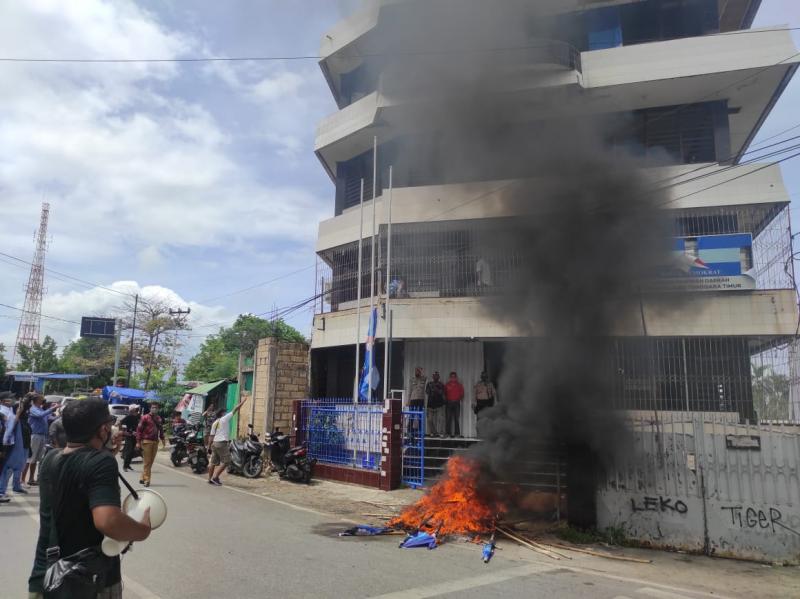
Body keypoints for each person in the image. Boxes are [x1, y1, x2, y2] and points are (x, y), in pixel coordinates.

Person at [27, 397, 152, 599]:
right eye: (110, 426)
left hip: (46, 575)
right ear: (103, 430)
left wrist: (108, 452)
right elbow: (108, 521)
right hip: (87, 580)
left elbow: (81, 476)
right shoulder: (100, 463)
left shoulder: (51, 459)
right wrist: (142, 530)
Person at [207, 397, 248, 486]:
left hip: (214, 443)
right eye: (224, 412)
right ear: (222, 414)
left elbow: (211, 436)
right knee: (227, 461)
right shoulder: (224, 419)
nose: (226, 413)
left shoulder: (215, 423)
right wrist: (243, 401)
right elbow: (235, 409)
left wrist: (208, 447)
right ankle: (215, 477)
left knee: (213, 463)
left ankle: (209, 479)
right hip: (222, 443)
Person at [23, 393, 56, 486]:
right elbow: (40, 415)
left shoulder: (40, 409)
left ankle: (31, 479)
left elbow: (49, 417)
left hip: (42, 436)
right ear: (37, 400)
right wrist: (51, 409)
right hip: (35, 435)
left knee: (36, 459)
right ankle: (22, 480)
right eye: (41, 398)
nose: (43, 399)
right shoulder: (33, 409)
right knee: (30, 458)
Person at [135, 402, 165, 487]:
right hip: (146, 441)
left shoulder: (159, 418)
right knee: (147, 462)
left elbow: (161, 429)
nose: (154, 409)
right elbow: (139, 430)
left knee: (150, 462)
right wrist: (138, 442)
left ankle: (142, 477)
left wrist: (162, 439)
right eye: (153, 407)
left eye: (156, 407)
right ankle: (147, 480)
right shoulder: (145, 417)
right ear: (150, 408)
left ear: (158, 409)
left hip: (155, 442)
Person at [119, 404, 141, 472]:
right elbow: (120, 422)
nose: (137, 409)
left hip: (136, 436)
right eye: (136, 408)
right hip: (130, 436)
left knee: (133, 451)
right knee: (129, 451)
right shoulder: (129, 416)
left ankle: (128, 465)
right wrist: (124, 432)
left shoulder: (138, 416)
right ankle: (125, 466)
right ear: (132, 410)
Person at [425, 371, 446, 437]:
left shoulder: (441, 384)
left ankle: (441, 433)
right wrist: (432, 389)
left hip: (439, 404)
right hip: (430, 405)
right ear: (432, 377)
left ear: (439, 377)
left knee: (441, 419)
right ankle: (433, 432)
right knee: (429, 420)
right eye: (434, 376)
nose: (435, 377)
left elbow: (442, 392)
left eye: (437, 376)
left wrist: (436, 389)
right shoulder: (429, 384)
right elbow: (427, 392)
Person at [444, 371, 464, 438]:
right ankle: (447, 433)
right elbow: (444, 394)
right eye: (452, 377)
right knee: (448, 418)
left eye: (454, 376)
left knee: (456, 419)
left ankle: (457, 434)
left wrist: (458, 399)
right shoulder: (447, 385)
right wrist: (446, 400)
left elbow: (462, 394)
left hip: (456, 403)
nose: (453, 378)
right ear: (450, 377)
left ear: (456, 377)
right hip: (449, 403)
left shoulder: (459, 385)